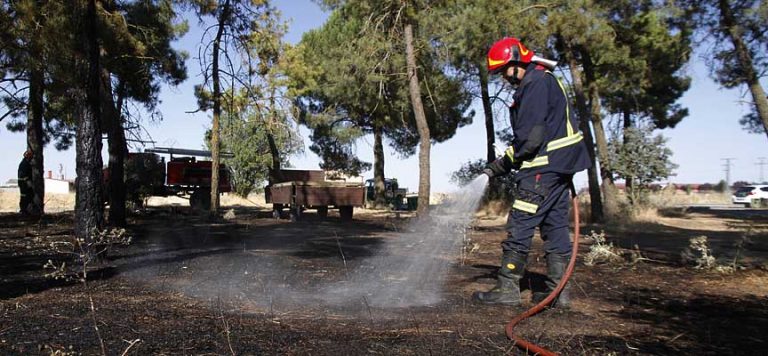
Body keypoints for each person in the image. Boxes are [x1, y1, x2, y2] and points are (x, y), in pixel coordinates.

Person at [474, 37, 591, 307]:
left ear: (516, 63)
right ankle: (557, 293)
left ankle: (507, 288)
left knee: (520, 224)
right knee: (554, 225)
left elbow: (530, 139)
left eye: (504, 70)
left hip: (542, 168)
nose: (504, 77)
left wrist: (501, 165)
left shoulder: (535, 83)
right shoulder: (544, 79)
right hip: (559, 168)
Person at [18, 149, 34, 216]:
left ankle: (26, 210)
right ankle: (24, 210)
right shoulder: (24, 164)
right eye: (31, 157)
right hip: (24, 184)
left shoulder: (25, 163)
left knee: (27, 196)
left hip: (24, 183)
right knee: (25, 197)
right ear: (28, 156)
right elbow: (23, 174)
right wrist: (28, 182)